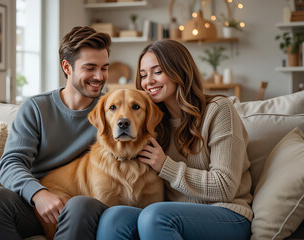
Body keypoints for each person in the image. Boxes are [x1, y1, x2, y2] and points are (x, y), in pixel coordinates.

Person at [96, 39, 253, 240]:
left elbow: (225, 186)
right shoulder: (151, 124)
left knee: (155, 216)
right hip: (172, 214)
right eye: (143, 75)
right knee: (114, 217)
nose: (148, 81)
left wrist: (165, 166)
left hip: (228, 215)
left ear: (180, 71)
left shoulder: (219, 110)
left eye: (157, 72)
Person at [0, 26, 111, 240]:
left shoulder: (113, 109)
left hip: (81, 206)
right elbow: (11, 163)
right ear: (67, 67)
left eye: (104, 68)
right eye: (90, 68)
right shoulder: (36, 107)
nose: (99, 76)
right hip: (34, 204)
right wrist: (38, 194)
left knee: (81, 205)